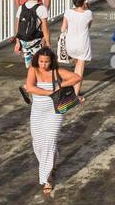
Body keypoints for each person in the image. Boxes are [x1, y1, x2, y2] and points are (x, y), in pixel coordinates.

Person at [24, 47, 81, 197]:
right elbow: (30, 87)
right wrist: (50, 92)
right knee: (38, 142)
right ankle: (51, 164)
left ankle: (47, 178)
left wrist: (59, 86)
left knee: (49, 142)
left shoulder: (57, 72)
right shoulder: (33, 70)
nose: (43, 64)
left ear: (51, 61)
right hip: (37, 111)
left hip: (55, 112)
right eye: (41, 61)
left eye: (46, 61)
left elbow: (77, 78)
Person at [13, 0, 52, 67]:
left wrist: (17, 41)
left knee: (29, 63)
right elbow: (45, 28)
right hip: (36, 40)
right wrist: (48, 43)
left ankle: (31, 77)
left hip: (24, 41)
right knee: (40, 63)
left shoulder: (21, 7)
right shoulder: (41, 8)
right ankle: (37, 78)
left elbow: (17, 24)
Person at [61, 0, 93, 96]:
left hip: (70, 44)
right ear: (84, 2)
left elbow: (63, 28)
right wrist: (87, 8)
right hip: (82, 44)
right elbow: (89, 26)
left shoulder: (68, 12)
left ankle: (72, 88)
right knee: (80, 69)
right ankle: (76, 93)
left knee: (76, 66)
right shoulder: (88, 13)